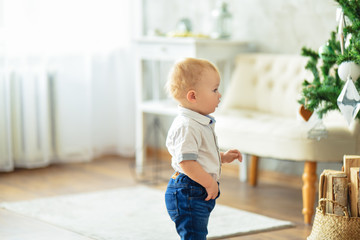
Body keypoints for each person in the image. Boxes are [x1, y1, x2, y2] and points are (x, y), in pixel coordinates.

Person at [164, 57, 242, 240]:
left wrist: (221, 157)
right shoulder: (188, 126)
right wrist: (208, 182)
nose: (219, 95)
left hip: (193, 190)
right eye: (215, 90)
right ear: (193, 96)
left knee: (196, 234)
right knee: (194, 235)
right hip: (189, 191)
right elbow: (186, 162)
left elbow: (199, 156)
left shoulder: (198, 122)